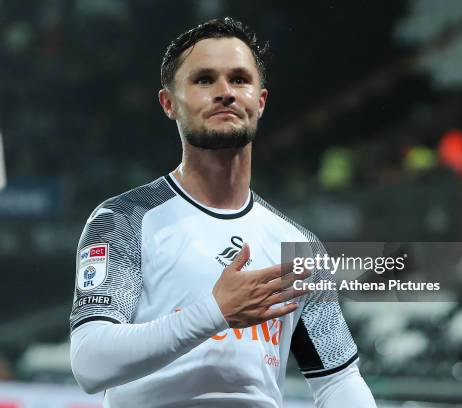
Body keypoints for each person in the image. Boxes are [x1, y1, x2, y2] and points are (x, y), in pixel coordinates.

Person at [69, 17, 376, 407]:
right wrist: (215, 312)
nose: (225, 92)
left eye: (239, 79)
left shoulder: (298, 247)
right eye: (203, 80)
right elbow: (90, 363)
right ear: (169, 104)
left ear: (260, 102)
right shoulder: (125, 220)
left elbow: (339, 381)